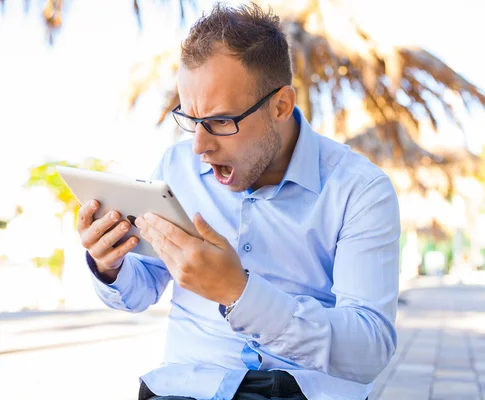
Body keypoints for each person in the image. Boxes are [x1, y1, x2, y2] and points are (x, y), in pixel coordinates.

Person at [77, 3, 400, 399]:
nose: (199, 146)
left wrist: (239, 293)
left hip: (303, 389)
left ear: (281, 106)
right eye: (192, 120)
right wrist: (109, 265)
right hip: (185, 388)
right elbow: (141, 290)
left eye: (219, 121)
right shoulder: (175, 168)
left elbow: (369, 350)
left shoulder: (360, 190)